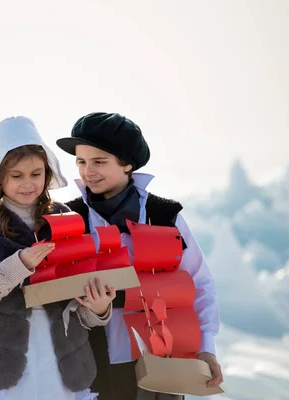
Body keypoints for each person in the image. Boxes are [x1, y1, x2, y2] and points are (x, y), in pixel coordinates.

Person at [56, 112, 224, 400]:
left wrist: (205, 347)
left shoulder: (164, 215)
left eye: (99, 161)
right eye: (81, 162)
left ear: (127, 163)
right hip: (93, 368)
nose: (87, 171)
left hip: (164, 364)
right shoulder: (69, 217)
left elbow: (199, 284)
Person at [0, 116, 116, 400]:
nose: (28, 184)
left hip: (63, 369)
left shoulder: (65, 219)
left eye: (36, 174)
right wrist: (19, 264)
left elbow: (80, 309)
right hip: (4, 371)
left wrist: (98, 308)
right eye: (16, 176)